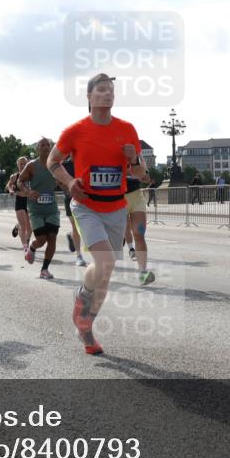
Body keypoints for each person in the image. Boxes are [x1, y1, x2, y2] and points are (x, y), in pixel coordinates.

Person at [48, 73, 145, 354]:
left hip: (116, 207)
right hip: (87, 205)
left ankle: (86, 327)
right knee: (103, 263)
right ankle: (82, 296)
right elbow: (53, 160)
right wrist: (69, 182)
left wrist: (134, 159)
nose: (107, 94)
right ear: (89, 97)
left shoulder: (127, 129)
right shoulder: (76, 131)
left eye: (111, 90)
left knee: (107, 271)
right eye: (101, 90)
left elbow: (140, 173)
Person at [18, 138, 60, 280]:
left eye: (48, 145)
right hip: (36, 209)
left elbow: (63, 180)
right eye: (42, 145)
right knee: (41, 239)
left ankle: (44, 269)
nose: (46, 147)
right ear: (38, 149)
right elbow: (20, 181)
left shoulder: (55, 164)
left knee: (52, 238)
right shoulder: (32, 165)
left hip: (51, 208)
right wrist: (28, 192)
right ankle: (33, 247)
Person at [122, 154, 156, 285]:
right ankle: (129, 248)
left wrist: (137, 167)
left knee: (139, 234)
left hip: (136, 198)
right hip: (118, 199)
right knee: (121, 231)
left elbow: (147, 178)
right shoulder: (112, 153)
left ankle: (143, 273)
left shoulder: (138, 156)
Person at [62, 155, 87, 267]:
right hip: (70, 199)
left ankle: (71, 237)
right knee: (75, 226)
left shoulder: (87, 161)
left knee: (84, 227)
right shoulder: (65, 165)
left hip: (87, 198)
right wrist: (68, 189)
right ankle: (79, 256)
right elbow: (58, 181)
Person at [7, 157, 32, 252]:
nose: (22, 165)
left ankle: (26, 240)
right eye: (20, 163)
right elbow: (9, 185)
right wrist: (11, 190)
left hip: (29, 202)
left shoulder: (31, 175)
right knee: (24, 225)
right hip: (20, 201)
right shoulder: (15, 176)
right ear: (17, 165)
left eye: (24, 163)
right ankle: (25, 247)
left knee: (30, 227)